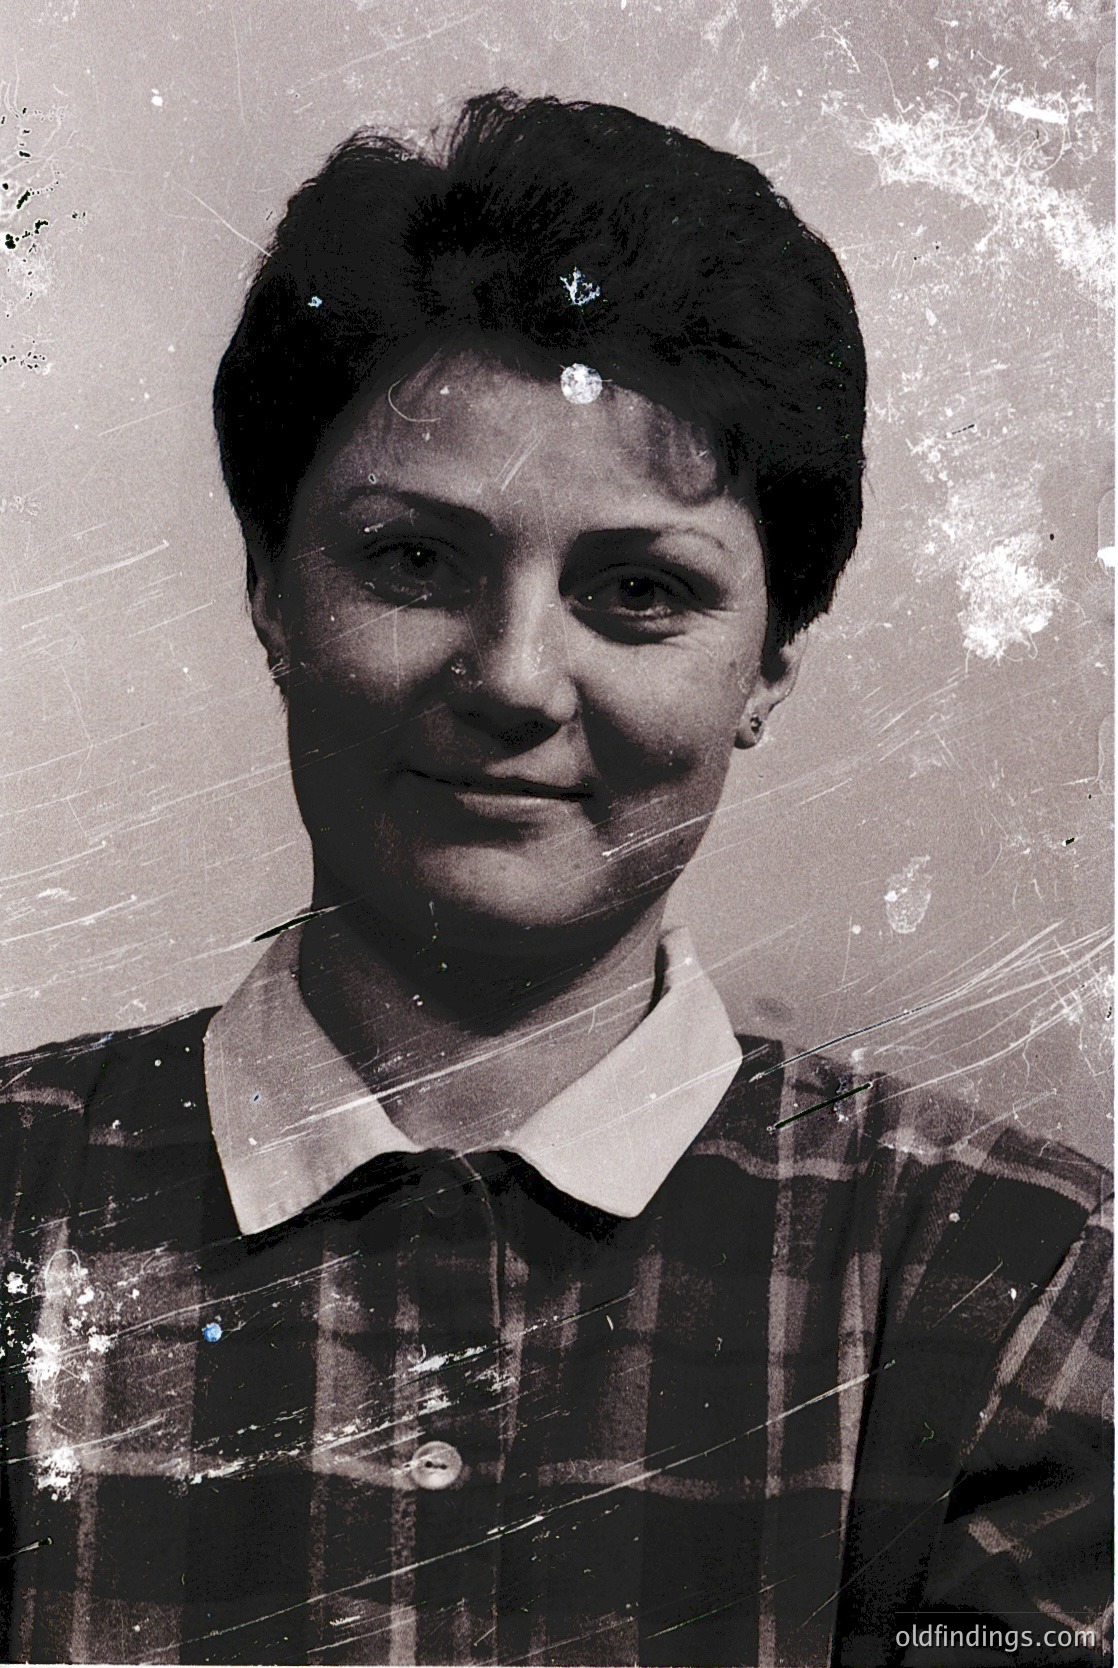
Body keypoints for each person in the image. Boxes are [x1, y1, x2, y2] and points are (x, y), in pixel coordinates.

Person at [0, 89, 1109, 1668]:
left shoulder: (1015, 1290)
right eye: (410, 558)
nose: (515, 677)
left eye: (638, 590)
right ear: (268, 585)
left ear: (773, 656)